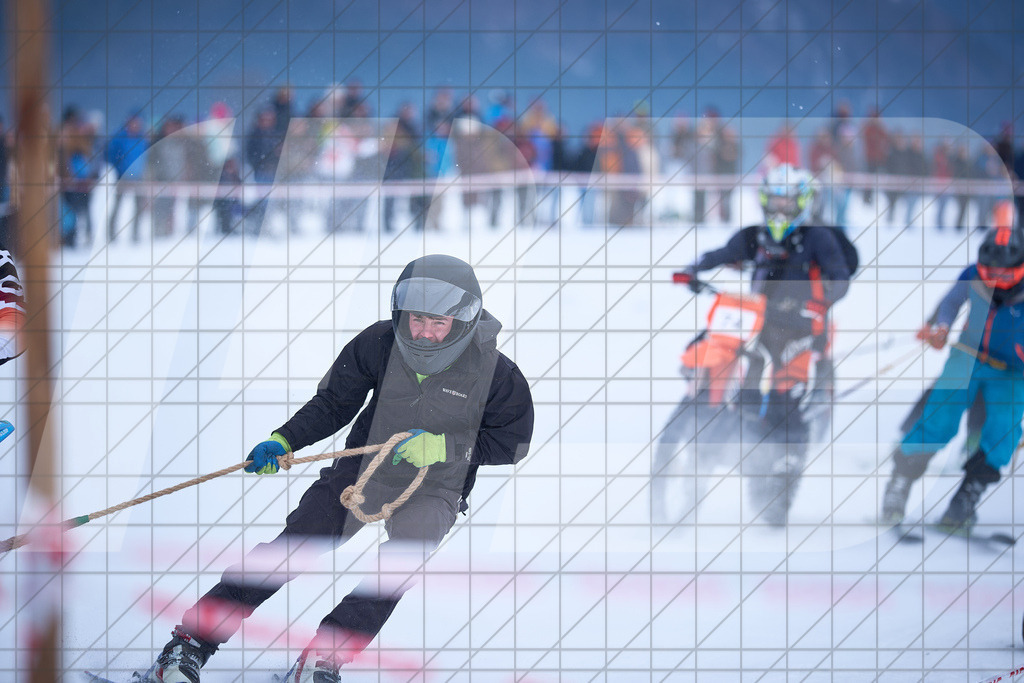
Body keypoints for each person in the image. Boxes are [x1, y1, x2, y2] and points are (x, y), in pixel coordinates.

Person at [148, 255, 534, 682]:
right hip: (362, 472)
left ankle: (324, 657)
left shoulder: (495, 372)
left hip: (436, 487)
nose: (424, 332)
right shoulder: (380, 343)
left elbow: (511, 442)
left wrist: (444, 446)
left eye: (438, 322)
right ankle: (190, 645)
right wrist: (284, 440)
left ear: (462, 321)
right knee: (293, 545)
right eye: (416, 319)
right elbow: (334, 402)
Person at [671, 164, 855, 525]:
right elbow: (723, 253)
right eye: (775, 200)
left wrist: (822, 302)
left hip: (801, 322)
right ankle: (715, 417)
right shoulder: (755, 235)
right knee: (718, 350)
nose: (780, 208)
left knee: (785, 390)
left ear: (803, 201)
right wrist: (693, 268)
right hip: (756, 318)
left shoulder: (818, 236)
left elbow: (840, 276)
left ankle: (790, 454)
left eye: (788, 201)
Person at [881, 225, 1024, 533]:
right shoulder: (973, 274)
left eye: (1004, 269)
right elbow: (950, 302)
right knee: (938, 420)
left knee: (1002, 432)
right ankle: (900, 482)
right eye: (991, 268)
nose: (996, 275)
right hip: (966, 357)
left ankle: (965, 499)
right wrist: (941, 326)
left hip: (1013, 373)